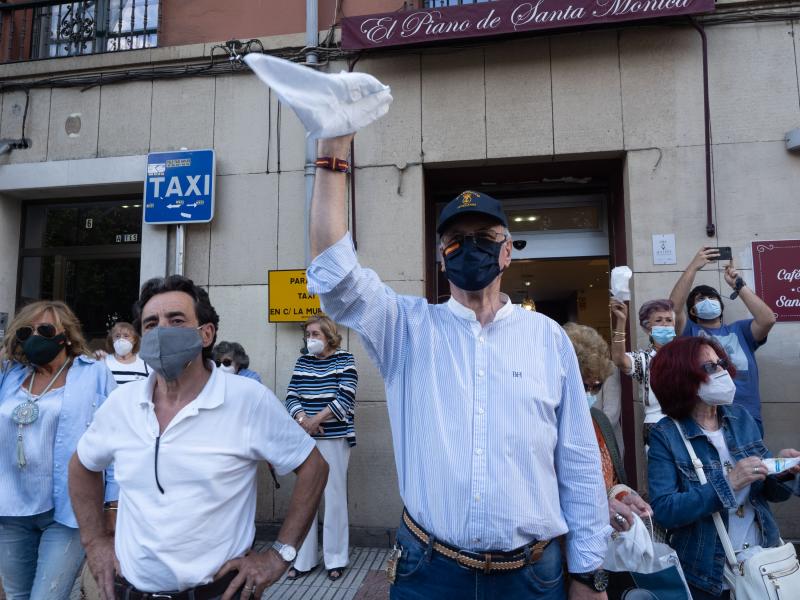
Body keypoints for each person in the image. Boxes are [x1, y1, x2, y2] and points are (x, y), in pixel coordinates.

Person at [306, 133, 611, 599]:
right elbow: (335, 274)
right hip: (428, 573)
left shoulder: (548, 338)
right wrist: (332, 156)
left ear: (508, 251)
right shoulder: (405, 329)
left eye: (486, 239)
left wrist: (588, 572)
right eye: (455, 240)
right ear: (441, 257)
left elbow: (578, 460)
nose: (471, 249)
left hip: (533, 576)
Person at [68, 275, 329, 600]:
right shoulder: (122, 403)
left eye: (176, 320)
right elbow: (82, 466)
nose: (161, 331)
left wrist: (280, 555)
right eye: (151, 324)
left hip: (219, 592)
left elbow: (314, 467)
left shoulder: (247, 399)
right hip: (131, 591)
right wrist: (94, 542)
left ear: (206, 334)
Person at [647, 336, 800, 599]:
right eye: (709, 367)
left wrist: (781, 470)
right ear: (682, 378)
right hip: (707, 572)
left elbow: (770, 493)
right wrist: (727, 484)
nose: (722, 371)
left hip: (762, 560)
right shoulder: (666, 434)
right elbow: (665, 510)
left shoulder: (740, 417)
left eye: (721, 363)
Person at [0, 300, 117, 600]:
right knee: (17, 596)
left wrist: (112, 503)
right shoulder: (10, 376)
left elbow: (116, 441)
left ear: (66, 334)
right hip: (10, 509)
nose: (36, 336)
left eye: (46, 329)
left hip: (68, 510)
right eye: (27, 331)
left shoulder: (95, 375)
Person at [669, 247, 776, 432]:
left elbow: (767, 319)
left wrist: (738, 286)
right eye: (701, 299)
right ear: (693, 310)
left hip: (747, 417)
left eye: (712, 297)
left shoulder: (741, 330)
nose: (708, 300)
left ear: (720, 304)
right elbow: (672, 309)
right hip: (704, 418)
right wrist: (693, 267)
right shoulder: (689, 332)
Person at [285, 313, 358, 582]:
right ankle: (303, 561)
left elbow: (346, 397)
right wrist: (304, 421)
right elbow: (291, 395)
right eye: (308, 334)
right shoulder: (302, 361)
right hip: (306, 439)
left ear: (329, 336)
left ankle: (335, 559)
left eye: (315, 334)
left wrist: (316, 420)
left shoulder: (345, 360)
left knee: (334, 497)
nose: (310, 339)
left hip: (335, 438)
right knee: (306, 498)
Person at [563, 323, 652, 534]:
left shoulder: (598, 421)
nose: (590, 393)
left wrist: (623, 497)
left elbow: (609, 482)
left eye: (596, 386)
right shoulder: (545, 425)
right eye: (584, 386)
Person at [610, 298, 676, 446]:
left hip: (688, 422)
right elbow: (619, 359)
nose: (665, 324)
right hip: (657, 423)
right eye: (658, 320)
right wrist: (621, 321)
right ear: (647, 328)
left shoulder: (688, 355)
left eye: (669, 320)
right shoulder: (645, 359)